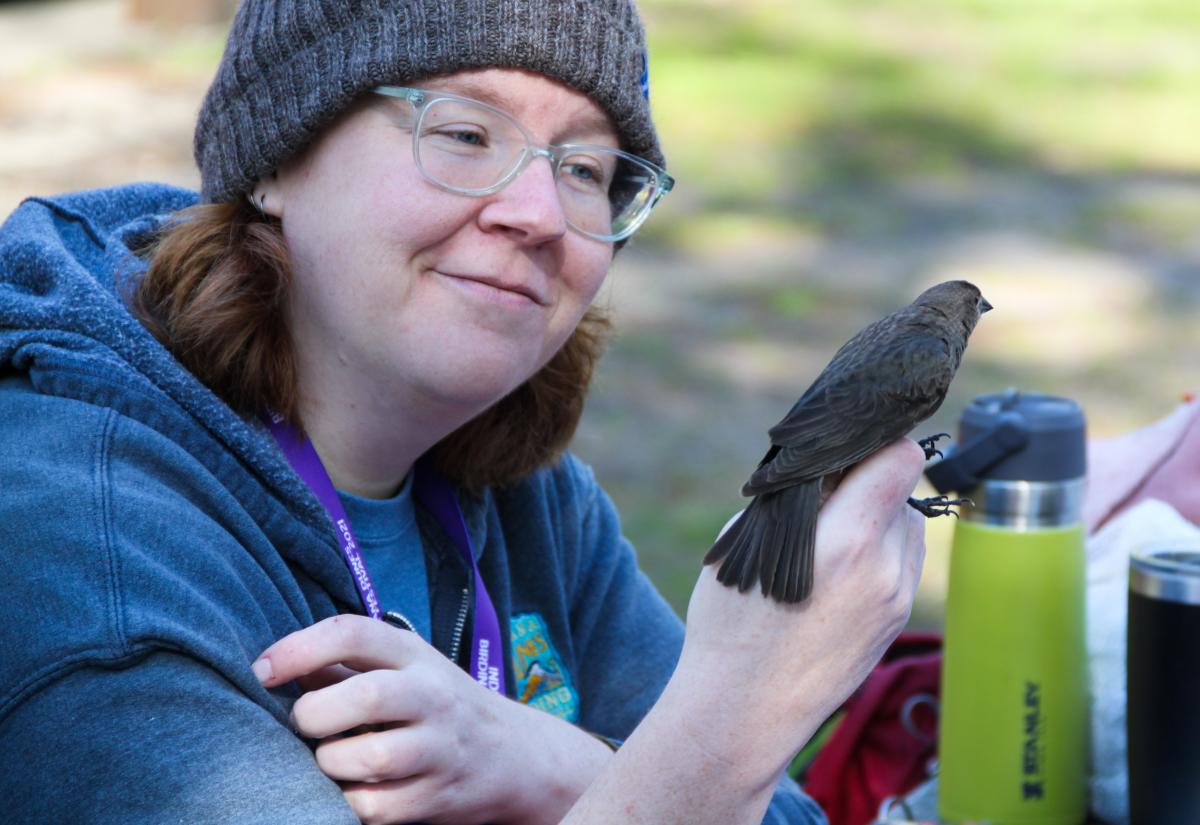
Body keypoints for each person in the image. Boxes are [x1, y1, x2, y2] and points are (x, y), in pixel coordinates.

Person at [0, 1, 928, 822]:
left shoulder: (524, 491)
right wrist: (731, 727)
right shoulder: (89, 560)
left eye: (586, 169)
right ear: (278, 157)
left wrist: (554, 769)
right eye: (465, 133)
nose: (538, 214)